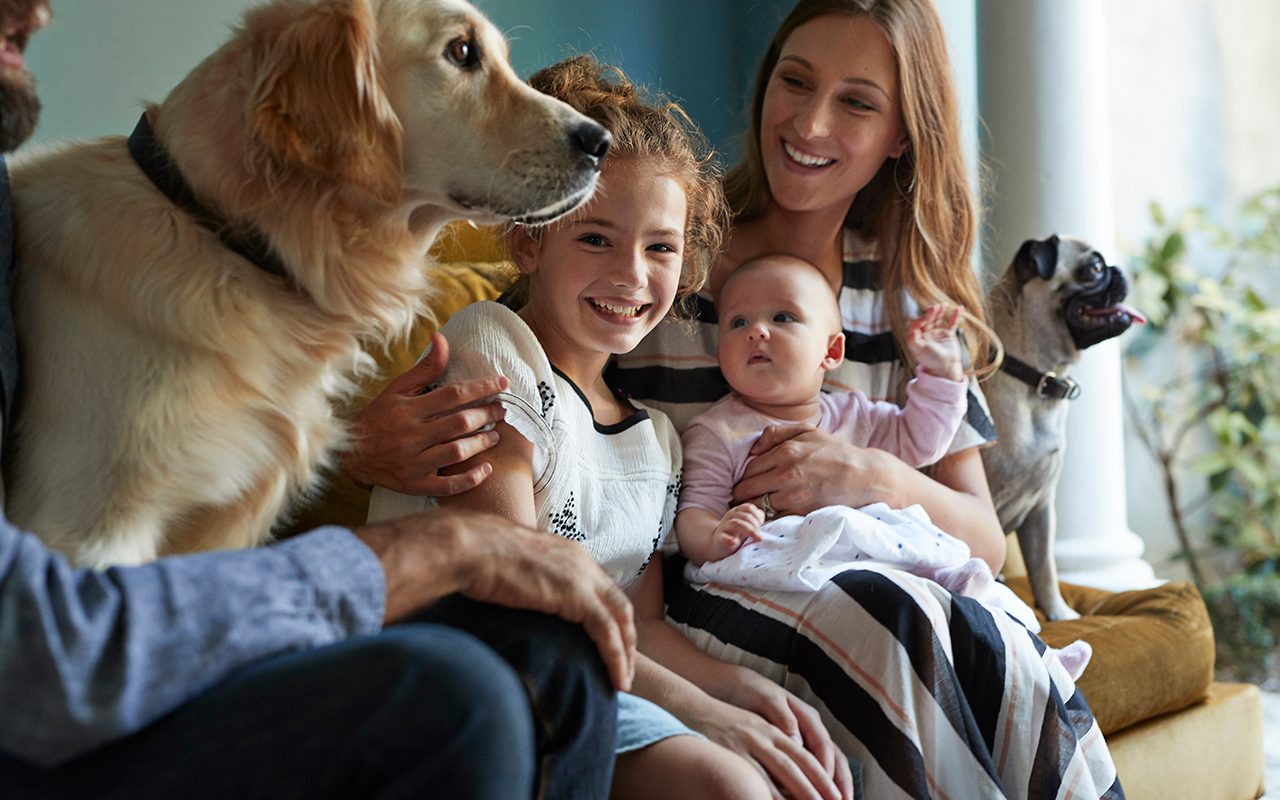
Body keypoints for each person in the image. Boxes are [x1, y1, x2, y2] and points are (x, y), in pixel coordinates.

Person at [348, 1, 1125, 796]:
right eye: (795, 80)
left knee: (980, 632)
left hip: (786, 589)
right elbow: (525, 361)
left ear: (902, 133)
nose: (811, 122)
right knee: (891, 619)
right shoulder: (661, 246)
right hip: (717, 593)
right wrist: (354, 443)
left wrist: (868, 476)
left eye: (856, 101)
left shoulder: (908, 305)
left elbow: (983, 541)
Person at [0, 3, 628, 798]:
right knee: (454, 700)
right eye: (462, 56)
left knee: (551, 652)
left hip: (156, 666)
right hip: (56, 717)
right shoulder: (85, 255)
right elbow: (55, 646)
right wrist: (438, 550)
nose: (579, 130)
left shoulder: (275, 282)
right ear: (340, 108)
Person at [368, 55, 852, 800]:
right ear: (530, 242)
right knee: (732, 786)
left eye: (660, 247)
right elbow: (516, 588)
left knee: (779, 754)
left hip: (596, 674)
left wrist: (743, 694)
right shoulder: (493, 343)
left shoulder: (656, 438)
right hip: (488, 671)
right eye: (595, 238)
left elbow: (643, 623)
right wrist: (700, 713)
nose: (631, 274)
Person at [675, 253, 969, 573]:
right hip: (779, 576)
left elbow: (922, 440)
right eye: (738, 322)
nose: (756, 330)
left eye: (783, 317)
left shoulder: (857, 417)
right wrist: (714, 537)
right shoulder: (717, 433)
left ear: (832, 351)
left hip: (873, 566)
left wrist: (942, 371)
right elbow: (694, 512)